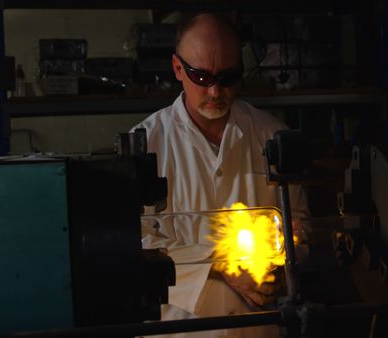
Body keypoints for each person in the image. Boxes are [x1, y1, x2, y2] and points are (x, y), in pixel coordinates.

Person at [131, 13, 308, 337]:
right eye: (202, 77)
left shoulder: (271, 134)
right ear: (177, 68)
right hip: (179, 328)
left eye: (228, 77)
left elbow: (300, 224)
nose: (215, 92)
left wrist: (284, 260)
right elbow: (132, 243)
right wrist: (218, 264)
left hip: (258, 325)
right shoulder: (144, 144)